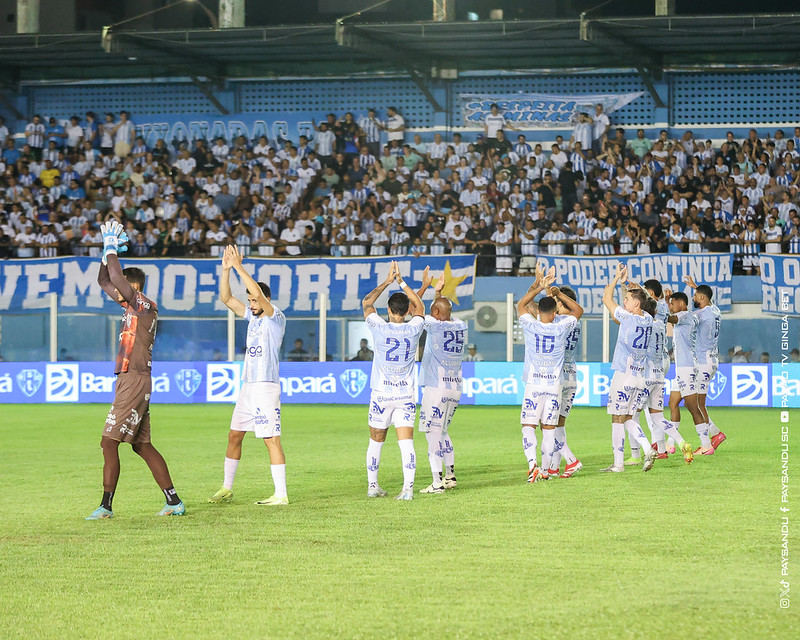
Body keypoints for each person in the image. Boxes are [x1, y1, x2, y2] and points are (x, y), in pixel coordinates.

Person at [87, 221, 184, 519]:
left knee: (108, 442)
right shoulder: (131, 307)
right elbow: (105, 280)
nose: (114, 291)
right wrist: (106, 253)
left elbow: (115, 277)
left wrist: (113, 247)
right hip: (132, 379)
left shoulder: (143, 305)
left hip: (134, 379)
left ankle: (106, 506)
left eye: (122, 288)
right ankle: (173, 501)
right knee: (142, 446)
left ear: (134, 288)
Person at [208, 245, 288, 506]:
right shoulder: (253, 319)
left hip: (266, 386)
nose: (251, 305)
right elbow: (226, 299)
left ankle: (281, 494)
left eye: (255, 301)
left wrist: (240, 267)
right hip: (248, 386)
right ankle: (226, 488)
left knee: (270, 439)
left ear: (265, 300)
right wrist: (226, 270)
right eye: (251, 301)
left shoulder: (276, 318)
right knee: (234, 435)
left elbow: (258, 297)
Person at [362, 260, 425, 500]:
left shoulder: (378, 326)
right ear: (407, 311)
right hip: (405, 395)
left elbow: (367, 302)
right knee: (405, 441)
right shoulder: (414, 328)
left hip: (381, 393)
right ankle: (407, 490)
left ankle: (372, 485)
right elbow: (420, 307)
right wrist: (402, 282)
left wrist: (387, 281)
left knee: (376, 440)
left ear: (388, 310)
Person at [516, 267, 579, 482]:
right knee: (550, 429)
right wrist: (556, 292)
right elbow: (577, 311)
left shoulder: (530, 325)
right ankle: (545, 470)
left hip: (534, 384)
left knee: (528, 427)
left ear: (539, 312)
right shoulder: (561, 326)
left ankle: (533, 464)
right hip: (554, 385)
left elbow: (521, 305)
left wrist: (538, 287)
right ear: (554, 313)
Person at [415, 268, 467, 494]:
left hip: (436, 387)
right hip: (455, 388)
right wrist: (439, 295)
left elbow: (413, 311)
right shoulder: (460, 324)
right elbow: (444, 311)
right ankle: (450, 475)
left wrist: (426, 288)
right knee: (443, 431)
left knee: (432, 434)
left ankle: (436, 483)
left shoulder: (433, 324)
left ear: (434, 312)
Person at [601, 263, 657, 473]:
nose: (623, 301)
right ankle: (646, 447)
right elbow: (640, 297)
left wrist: (616, 279)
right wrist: (627, 283)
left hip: (623, 376)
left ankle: (618, 464)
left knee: (617, 418)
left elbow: (607, 298)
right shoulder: (648, 319)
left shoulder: (629, 317)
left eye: (627, 300)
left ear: (635, 305)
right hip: (638, 378)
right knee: (628, 418)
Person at [665, 289, 713, 456]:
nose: (671, 306)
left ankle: (706, 444)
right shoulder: (687, 317)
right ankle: (671, 443)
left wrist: (657, 310)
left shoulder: (685, 315)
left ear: (682, 304)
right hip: (682, 367)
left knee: (693, 407)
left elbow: (671, 318)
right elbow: (671, 318)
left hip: (687, 368)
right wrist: (666, 304)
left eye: (673, 303)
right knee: (673, 403)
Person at [547, 284, 585, 478]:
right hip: (572, 376)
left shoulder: (559, 321)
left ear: (560, 303)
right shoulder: (574, 322)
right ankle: (554, 466)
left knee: (547, 423)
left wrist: (547, 292)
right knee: (559, 424)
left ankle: (571, 460)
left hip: (558, 378)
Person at [685, 276, 726, 450]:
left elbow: (683, 318)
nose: (693, 298)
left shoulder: (700, 315)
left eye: (695, 296)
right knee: (695, 402)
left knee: (695, 403)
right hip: (712, 360)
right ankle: (715, 433)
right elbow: (710, 300)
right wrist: (697, 287)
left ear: (702, 298)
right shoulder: (715, 310)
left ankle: (713, 436)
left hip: (704, 362)